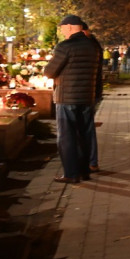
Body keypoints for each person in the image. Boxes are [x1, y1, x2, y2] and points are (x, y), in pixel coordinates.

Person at [44, 15, 101, 184]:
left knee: (67, 137)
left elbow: (49, 72)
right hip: (86, 97)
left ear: (69, 26)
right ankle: (84, 172)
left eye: (62, 28)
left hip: (67, 98)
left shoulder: (65, 46)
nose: (61, 31)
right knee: (84, 136)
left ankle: (71, 173)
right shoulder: (93, 46)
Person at [82, 22, 104, 173]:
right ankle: (91, 161)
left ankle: (91, 161)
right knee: (87, 127)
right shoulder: (94, 44)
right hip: (91, 91)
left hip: (87, 92)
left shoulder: (89, 46)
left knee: (87, 127)